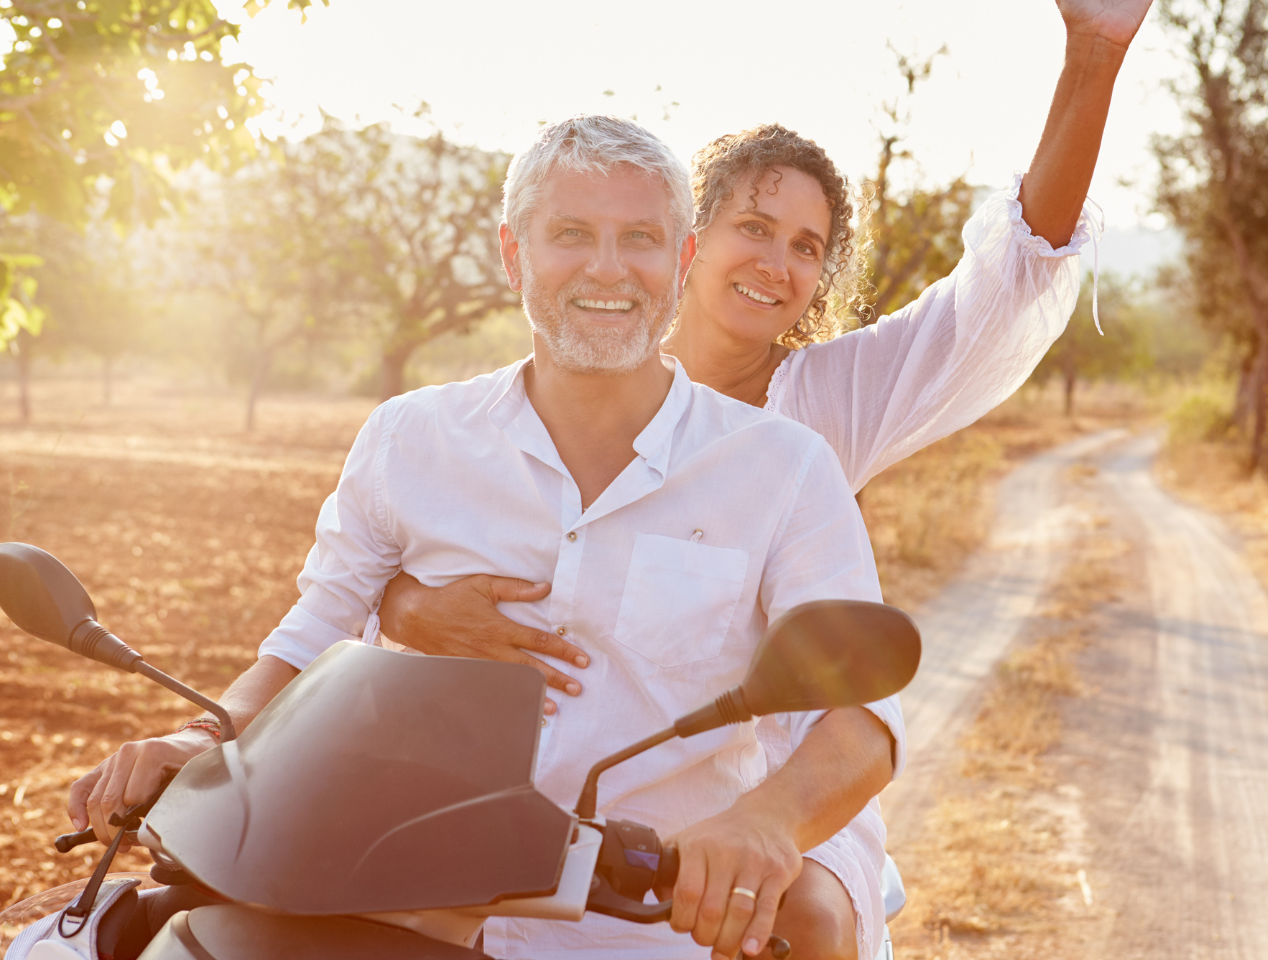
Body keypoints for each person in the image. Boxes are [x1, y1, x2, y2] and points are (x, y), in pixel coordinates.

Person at [365, 1, 1153, 957]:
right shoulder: (572, 366)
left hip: (766, 773)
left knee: (803, 918)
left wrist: (1095, 54)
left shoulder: (822, 403)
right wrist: (405, 606)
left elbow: (998, 295)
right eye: (756, 226)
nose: (777, 264)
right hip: (550, 757)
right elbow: (424, 541)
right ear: (687, 240)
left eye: (808, 247)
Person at [72, 115, 894, 960]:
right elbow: (312, 638)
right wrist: (200, 736)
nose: (608, 269)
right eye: (572, 234)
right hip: (388, 905)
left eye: (640, 239)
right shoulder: (409, 437)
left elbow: (861, 719)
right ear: (513, 256)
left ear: (680, 261)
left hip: (647, 927)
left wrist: (764, 821)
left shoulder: (785, 467)